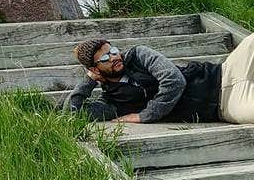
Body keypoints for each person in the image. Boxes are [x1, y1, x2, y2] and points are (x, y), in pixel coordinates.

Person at [65, 34, 254, 125]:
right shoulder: (113, 103)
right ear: (93, 68)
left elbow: (174, 80)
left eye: (113, 51)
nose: (114, 57)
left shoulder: (138, 55)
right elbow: (73, 113)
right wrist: (88, 81)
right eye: (105, 58)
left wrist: (146, 115)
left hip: (224, 72)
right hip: (225, 105)